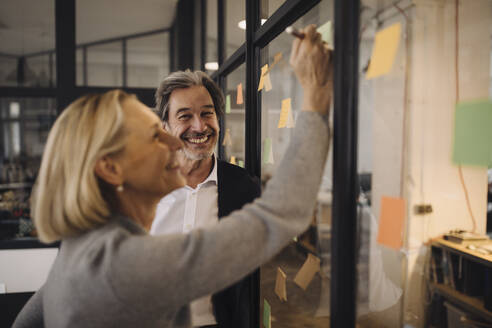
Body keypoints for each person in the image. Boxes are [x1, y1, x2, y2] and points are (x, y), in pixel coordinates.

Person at [13, 25, 332, 328]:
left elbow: (27, 321)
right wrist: (314, 98)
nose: (173, 143)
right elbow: (278, 215)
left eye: (207, 113)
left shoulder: (83, 247)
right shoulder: (126, 265)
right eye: (154, 135)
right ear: (111, 168)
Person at [151, 70, 260, 328]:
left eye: (207, 113)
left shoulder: (244, 189)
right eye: (185, 116)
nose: (199, 126)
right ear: (165, 126)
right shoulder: (144, 188)